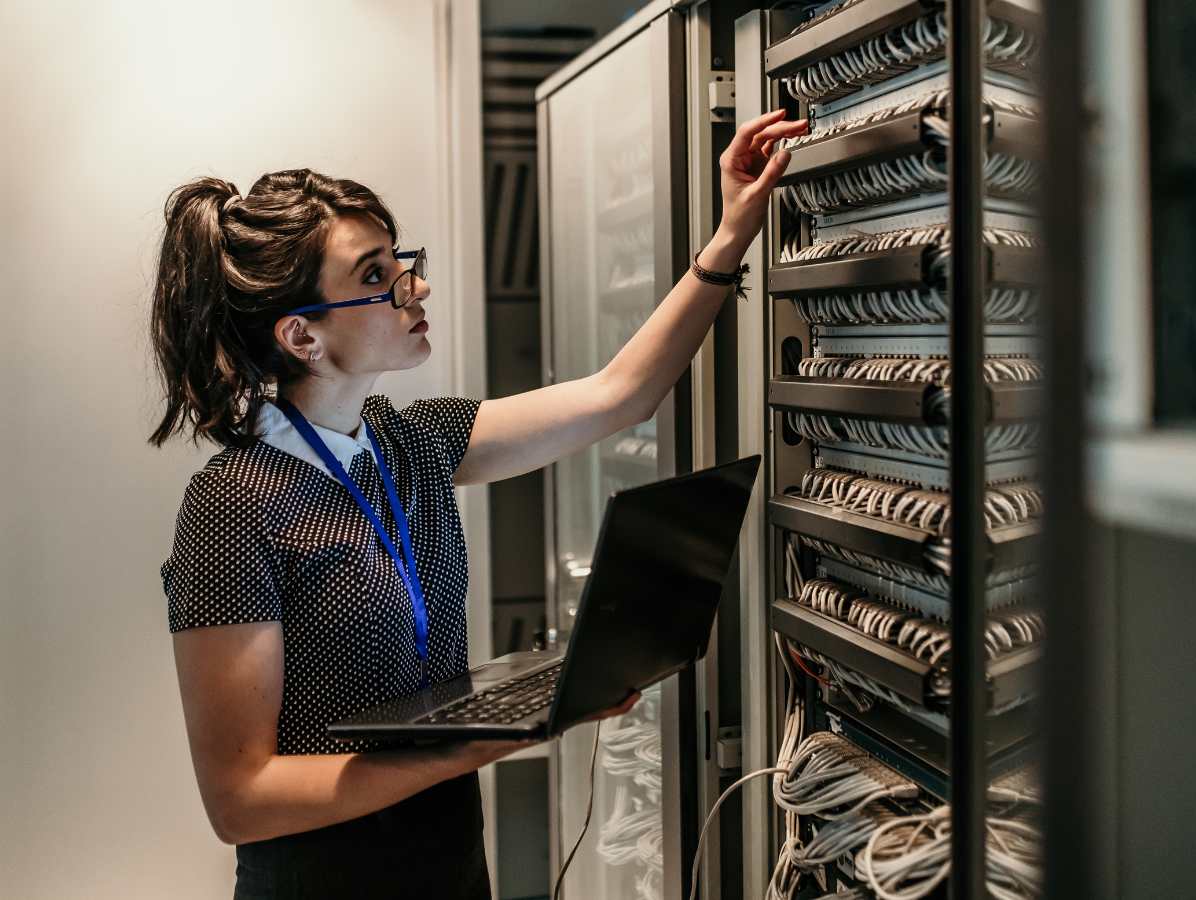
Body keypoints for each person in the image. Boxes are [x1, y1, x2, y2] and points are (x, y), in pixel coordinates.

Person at [150, 108, 806, 899]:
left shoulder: (410, 442)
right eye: (375, 277)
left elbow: (619, 396)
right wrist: (484, 740)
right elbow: (242, 799)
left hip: (452, 865)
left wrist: (731, 233)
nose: (415, 287)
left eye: (403, 261)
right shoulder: (231, 508)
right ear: (301, 338)